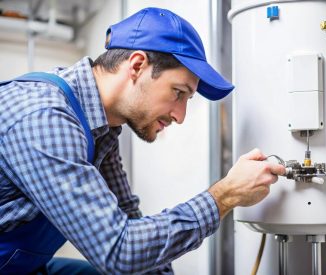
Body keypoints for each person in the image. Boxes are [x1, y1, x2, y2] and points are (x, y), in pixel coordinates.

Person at [0, 7, 285, 275]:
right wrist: (225, 195)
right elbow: (118, 251)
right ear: (137, 65)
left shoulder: (103, 128)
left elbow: (129, 218)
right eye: (178, 92)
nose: (181, 115)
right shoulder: (45, 118)